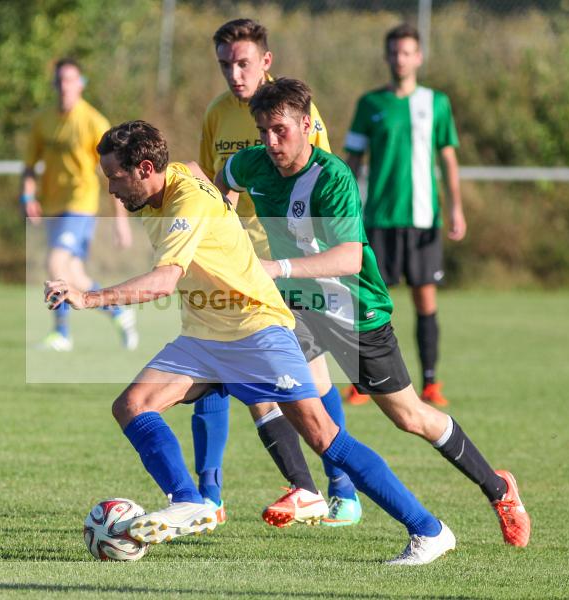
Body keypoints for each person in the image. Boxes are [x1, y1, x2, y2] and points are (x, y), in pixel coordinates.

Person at [45, 119, 456, 565]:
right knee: (132, 405)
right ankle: (190, 500)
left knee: (323, 436)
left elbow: (164, 281)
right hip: (206, 335)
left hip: (257, 328)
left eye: (115, 177)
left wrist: (88, 297)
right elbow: (190, 168)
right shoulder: (169, 180)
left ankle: (428, 530)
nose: (111, 190)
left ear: (144, 168)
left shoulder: (185, 204)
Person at [216, 77, 530, 548]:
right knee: (270, 383)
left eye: (279, 130)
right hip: (299, 309)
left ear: (306, 125)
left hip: (354, 314)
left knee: (410, 417)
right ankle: (308, 490)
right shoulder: (252, 164)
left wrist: (273, 266)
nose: (270, 142)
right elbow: (224, 182)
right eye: (262, 131)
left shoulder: (331, 176)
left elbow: (349, 258)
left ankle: (499, 488)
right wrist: (225, 223)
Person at [194, 17, 361, 529]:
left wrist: (294, 263)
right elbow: (213, 185)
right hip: (235, 266)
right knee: (223, 374)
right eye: (226, 64)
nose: (234, 74)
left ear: (266, 61)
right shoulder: (218, 114)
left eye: (243, 63)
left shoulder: (296, 113)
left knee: (302, 379)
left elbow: (322, 182)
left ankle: (339, 486)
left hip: (287, 268)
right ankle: (209, 497)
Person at [343, 24, 466, 407]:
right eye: (394, 52)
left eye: (407, 52)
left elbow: (447, 157)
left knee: (424, 300)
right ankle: (360, 382)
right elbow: (352, 160)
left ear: (419, 57)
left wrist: (456, 207)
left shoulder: (436, 103)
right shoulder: (370, 104)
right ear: (387, 56)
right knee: (366, 300)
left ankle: (430, 382)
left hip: (423, 219)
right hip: (378, 218)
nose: (400, 58)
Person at [22, 57, 138, 352]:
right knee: (75, 278)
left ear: (81, 84)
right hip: (52, 206)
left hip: (80, 204)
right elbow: (29, 166)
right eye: (60, 80)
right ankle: (119, 313)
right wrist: (28, 196)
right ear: (54, 84)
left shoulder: (93, 122)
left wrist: (121, 222)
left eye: (71, 80)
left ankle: (61, 333)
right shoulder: (43, 121)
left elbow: (114, 174)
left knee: (55, 263)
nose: (65, 86)